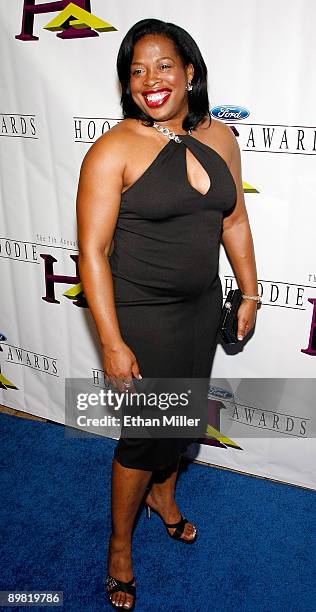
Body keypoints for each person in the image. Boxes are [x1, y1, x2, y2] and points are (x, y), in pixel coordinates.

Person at [76, 18, 259, 610]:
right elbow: (93, 253)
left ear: (190, 73)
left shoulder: (221, 137)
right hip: (142, 313)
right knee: (144, 436)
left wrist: (249, 292)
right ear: (126, 84)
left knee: (181, 424)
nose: (150, 80)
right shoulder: (113, 149)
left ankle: (164, 496)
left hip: (202, 306)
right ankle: (120, 546)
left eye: (162, 66)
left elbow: (233, 219)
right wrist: (110, 340)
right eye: (136, 71)